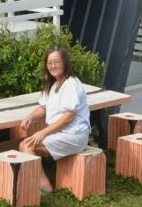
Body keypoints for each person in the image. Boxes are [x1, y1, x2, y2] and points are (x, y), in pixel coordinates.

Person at [18, 45, 91, 192]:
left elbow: (69, 116)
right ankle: (36, 184)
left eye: (56, 61)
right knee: (25, 144)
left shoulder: (71, 83)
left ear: (65, 62)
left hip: (74, 135)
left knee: (27, 145)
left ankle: (44, 188)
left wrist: (43, 133)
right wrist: (29, 118)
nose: (53, 66)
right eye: (49, 62)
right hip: (62, 134)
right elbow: (43, 107)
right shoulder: (53, 84)